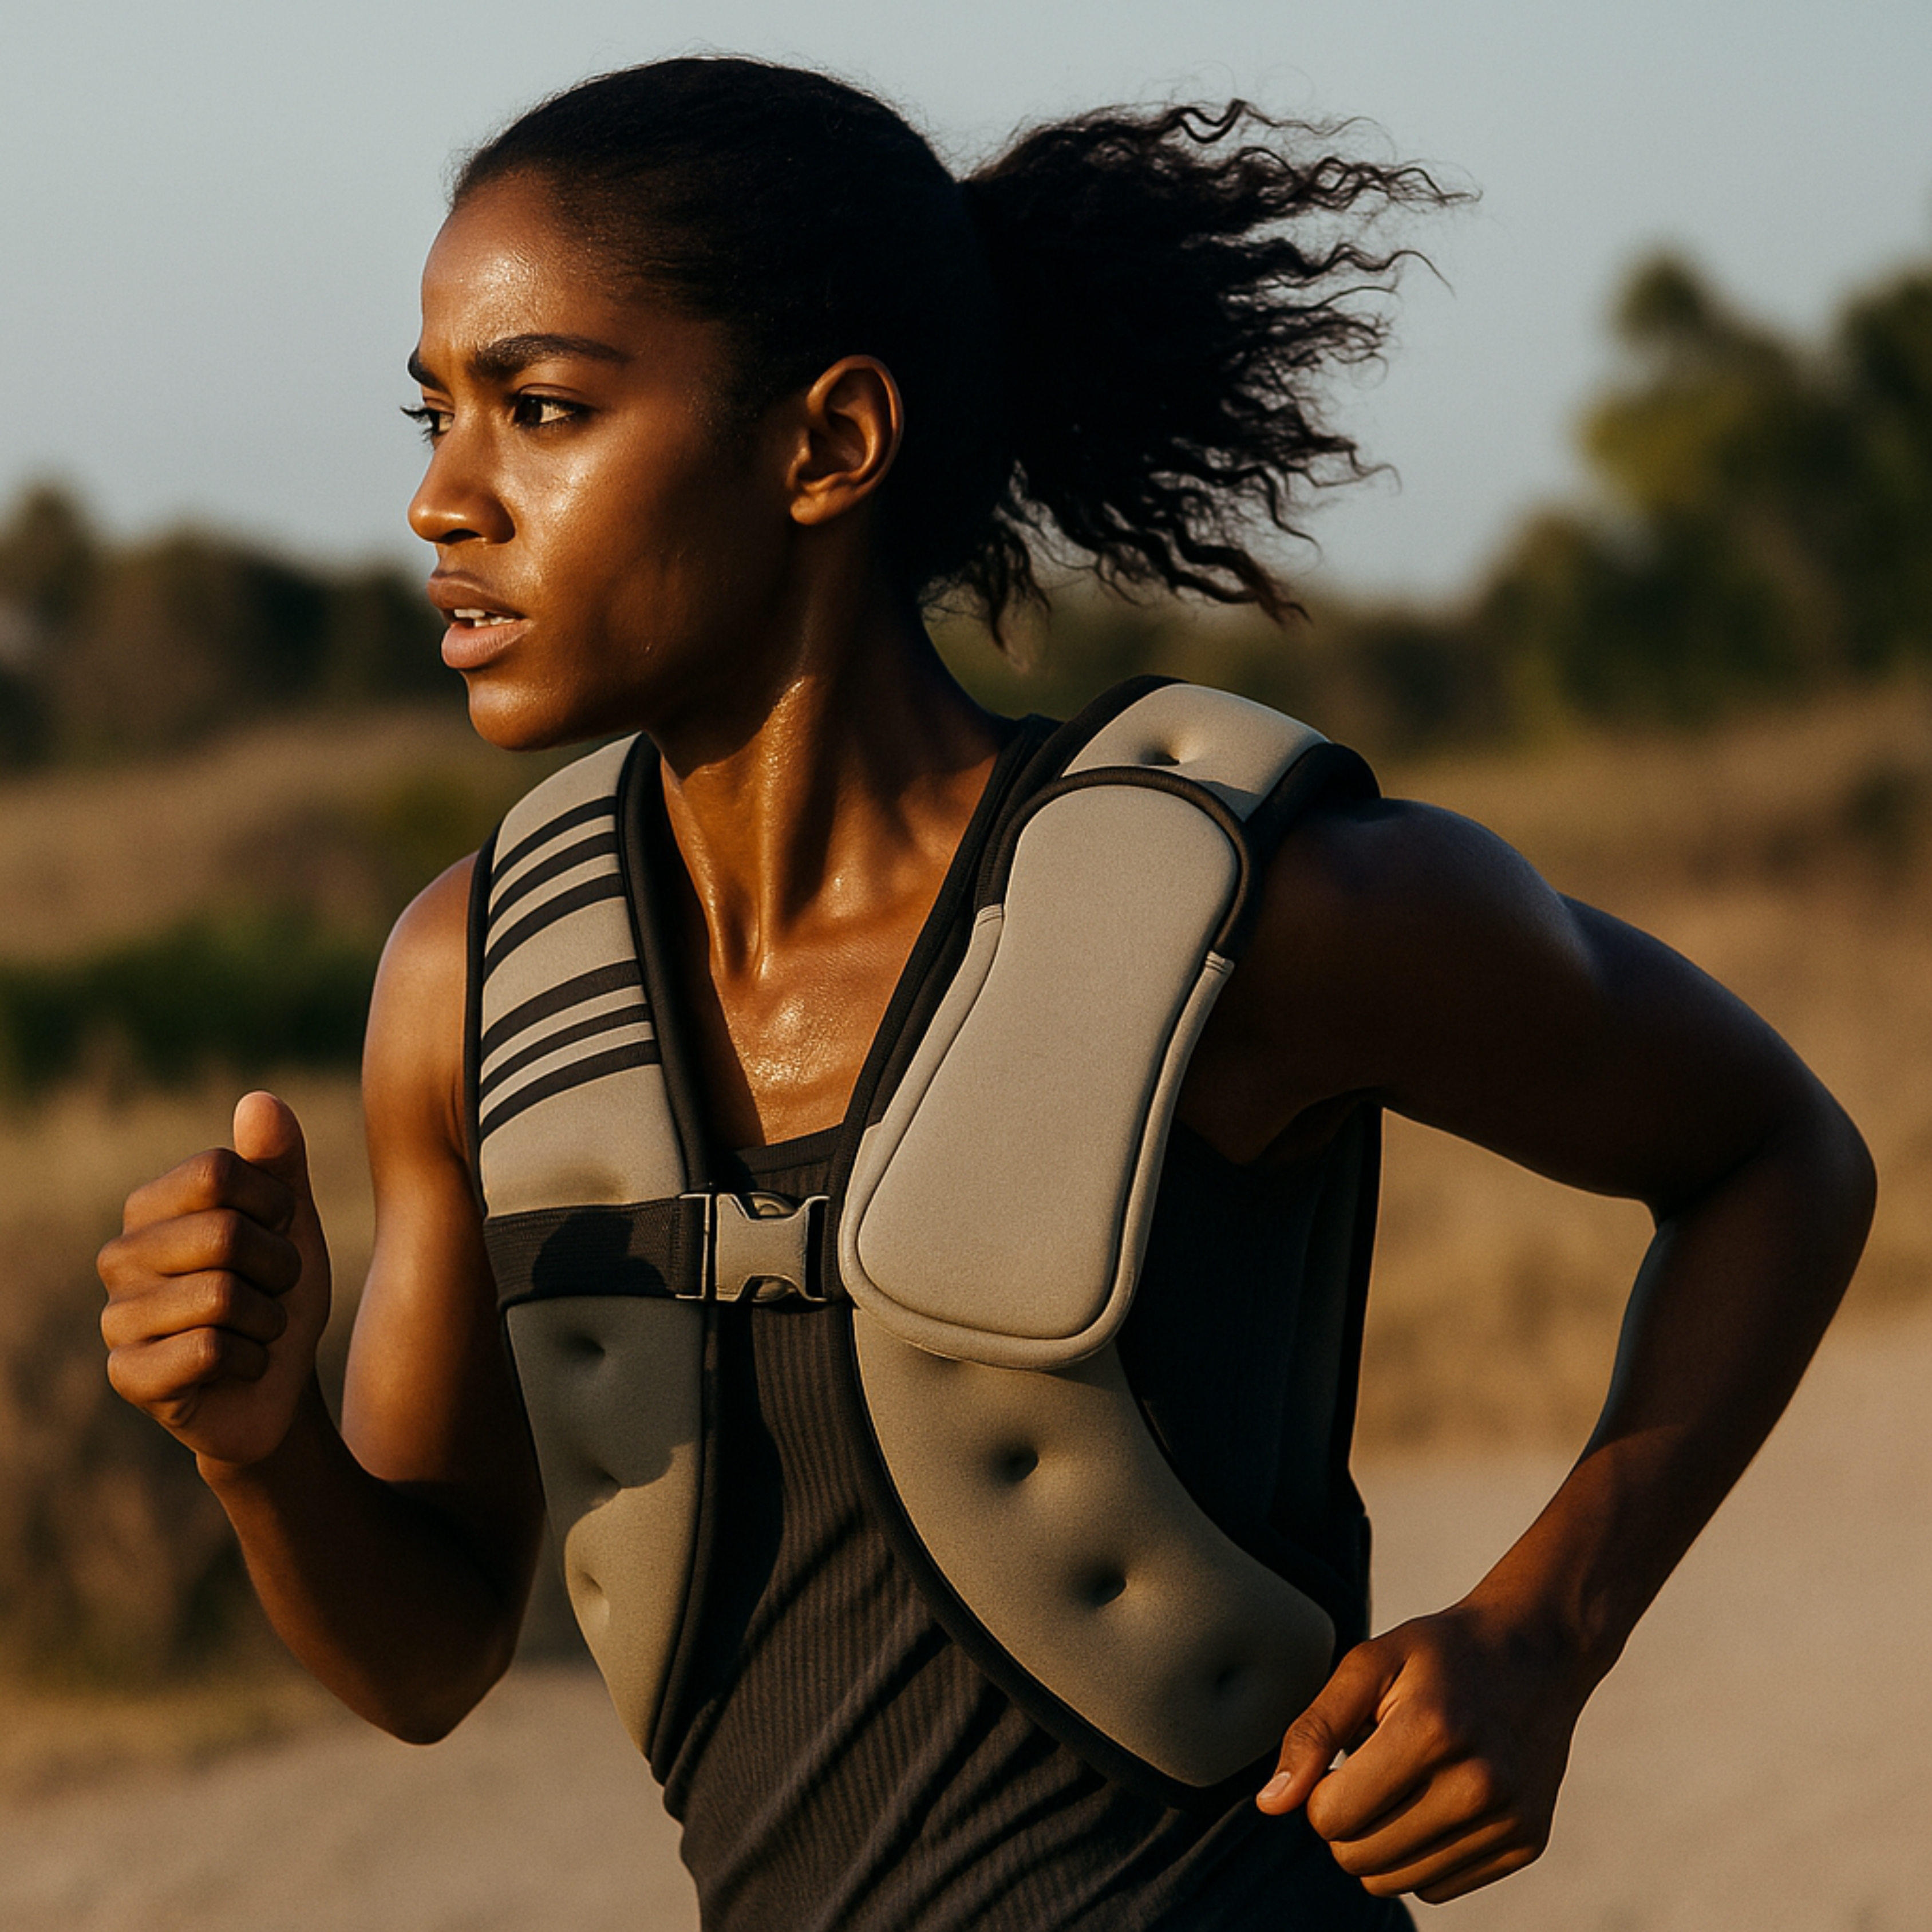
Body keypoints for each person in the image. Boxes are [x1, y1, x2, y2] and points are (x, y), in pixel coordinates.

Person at [97, 57, 1873, 1930]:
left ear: (827, 444)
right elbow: (427, 1654)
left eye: (538, 410)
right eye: (433, 413)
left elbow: (1775, 1151)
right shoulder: (469, 978)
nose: (441, 501)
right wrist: (260, 1440)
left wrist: (1543, 1626)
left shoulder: (1260, 905)